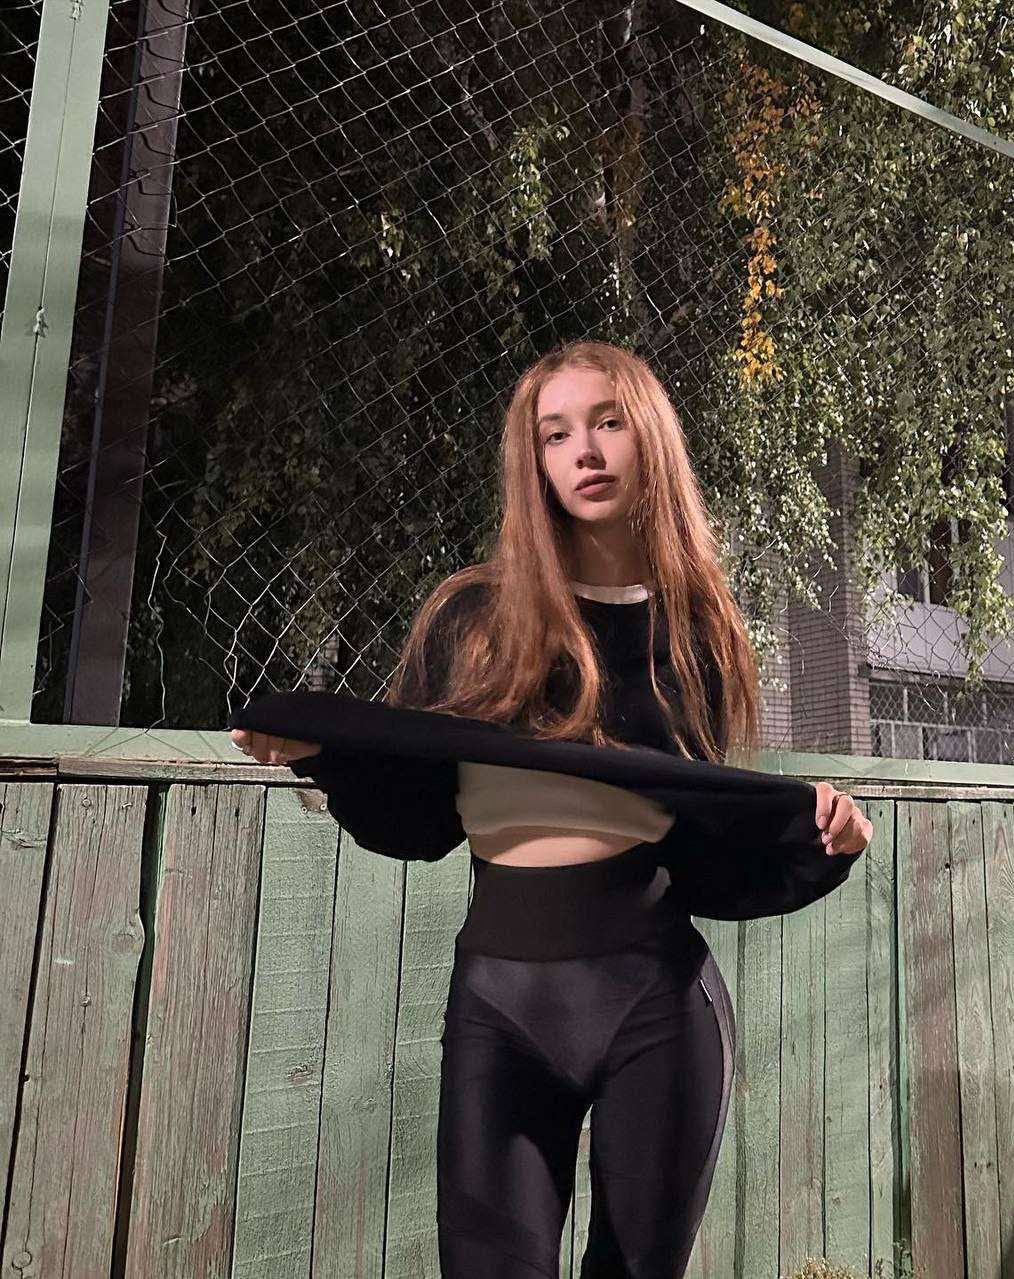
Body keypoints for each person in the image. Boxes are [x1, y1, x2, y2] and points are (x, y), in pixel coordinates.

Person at [231, 339, 872, 1277]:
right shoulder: (471, 616)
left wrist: (825, 840)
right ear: (531, 459)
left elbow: (704, 845)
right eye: (557, 433)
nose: (586, 451)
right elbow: (421, 817)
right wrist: (326, 757)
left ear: (650, 439)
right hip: (498, 1007)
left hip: (657, 1004)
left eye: (609, 423)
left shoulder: (696, 628)